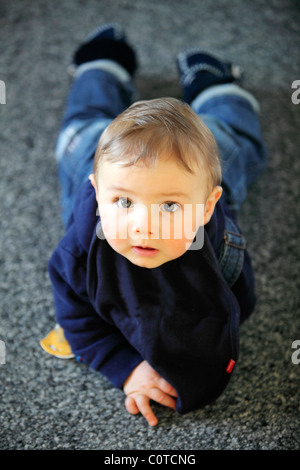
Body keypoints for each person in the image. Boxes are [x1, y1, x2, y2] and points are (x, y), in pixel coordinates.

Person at [40, 23, 267, 426]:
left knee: (236, 142)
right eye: (124, 203)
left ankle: (212, 83)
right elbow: (75, 313)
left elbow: (238, 301)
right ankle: (103, 60)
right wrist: (123, 365)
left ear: (206, 208)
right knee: (80, 128)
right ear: (100, 192)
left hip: (195, 159)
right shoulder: (80, 250)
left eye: (169, 206)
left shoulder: (222, 245)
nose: (143, 227)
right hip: (99, 156)